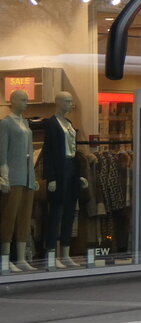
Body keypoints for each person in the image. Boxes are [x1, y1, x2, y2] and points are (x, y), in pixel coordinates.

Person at [39, 91, 89, 269]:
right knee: (56, 213)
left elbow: (74, 151)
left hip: (71, 170)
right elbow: (49, 152)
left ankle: (65, 253)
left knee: (69, 213)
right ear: (58, 103)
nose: (70, 104)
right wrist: (50, 177)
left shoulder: (69, 124)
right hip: (59, 171)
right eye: (67, 101)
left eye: (70, 101)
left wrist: (80, 174)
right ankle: (51, 254)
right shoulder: (52, 124)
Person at [0, 89, 38, 272]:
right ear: (13, 101)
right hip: (13, 176)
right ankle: (5, 258)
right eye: (23, 100)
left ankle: (21, 257)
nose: (26, 103)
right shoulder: (5, 124)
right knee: (9, 216)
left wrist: (34, 176)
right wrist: (4, 176)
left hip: (27, 177)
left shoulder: (25, 123)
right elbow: (2, 153)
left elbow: (30, 153)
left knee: (24, 217)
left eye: (27, 100)